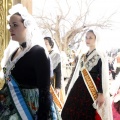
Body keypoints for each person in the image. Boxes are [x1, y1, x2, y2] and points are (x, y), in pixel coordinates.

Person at [0, 4, 58, 120]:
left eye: (15, 25)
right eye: (10, 25)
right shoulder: (14, 52)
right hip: (9, 105)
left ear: (27, 26)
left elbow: (44, 91)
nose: (11, 28)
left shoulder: (38, 52)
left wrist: (43, 116)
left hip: (30, 109)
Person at [61, 30, 113, 120]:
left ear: (96, 39)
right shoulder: (83, 55)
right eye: (86, 37)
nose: (87, 40)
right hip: (80, 86)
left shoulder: (100, 55)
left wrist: (101, 94)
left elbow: (102, 75)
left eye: (90, 38)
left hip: (92, 87)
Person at [44, 37, 64, 110]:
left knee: (52, 104)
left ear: (51, 45)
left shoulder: (56, 56)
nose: (44, 45)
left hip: (52, 82)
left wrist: (58, 87)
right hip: (41, 82)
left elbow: (58, 72)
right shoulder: (41, 54)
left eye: (46, 44)